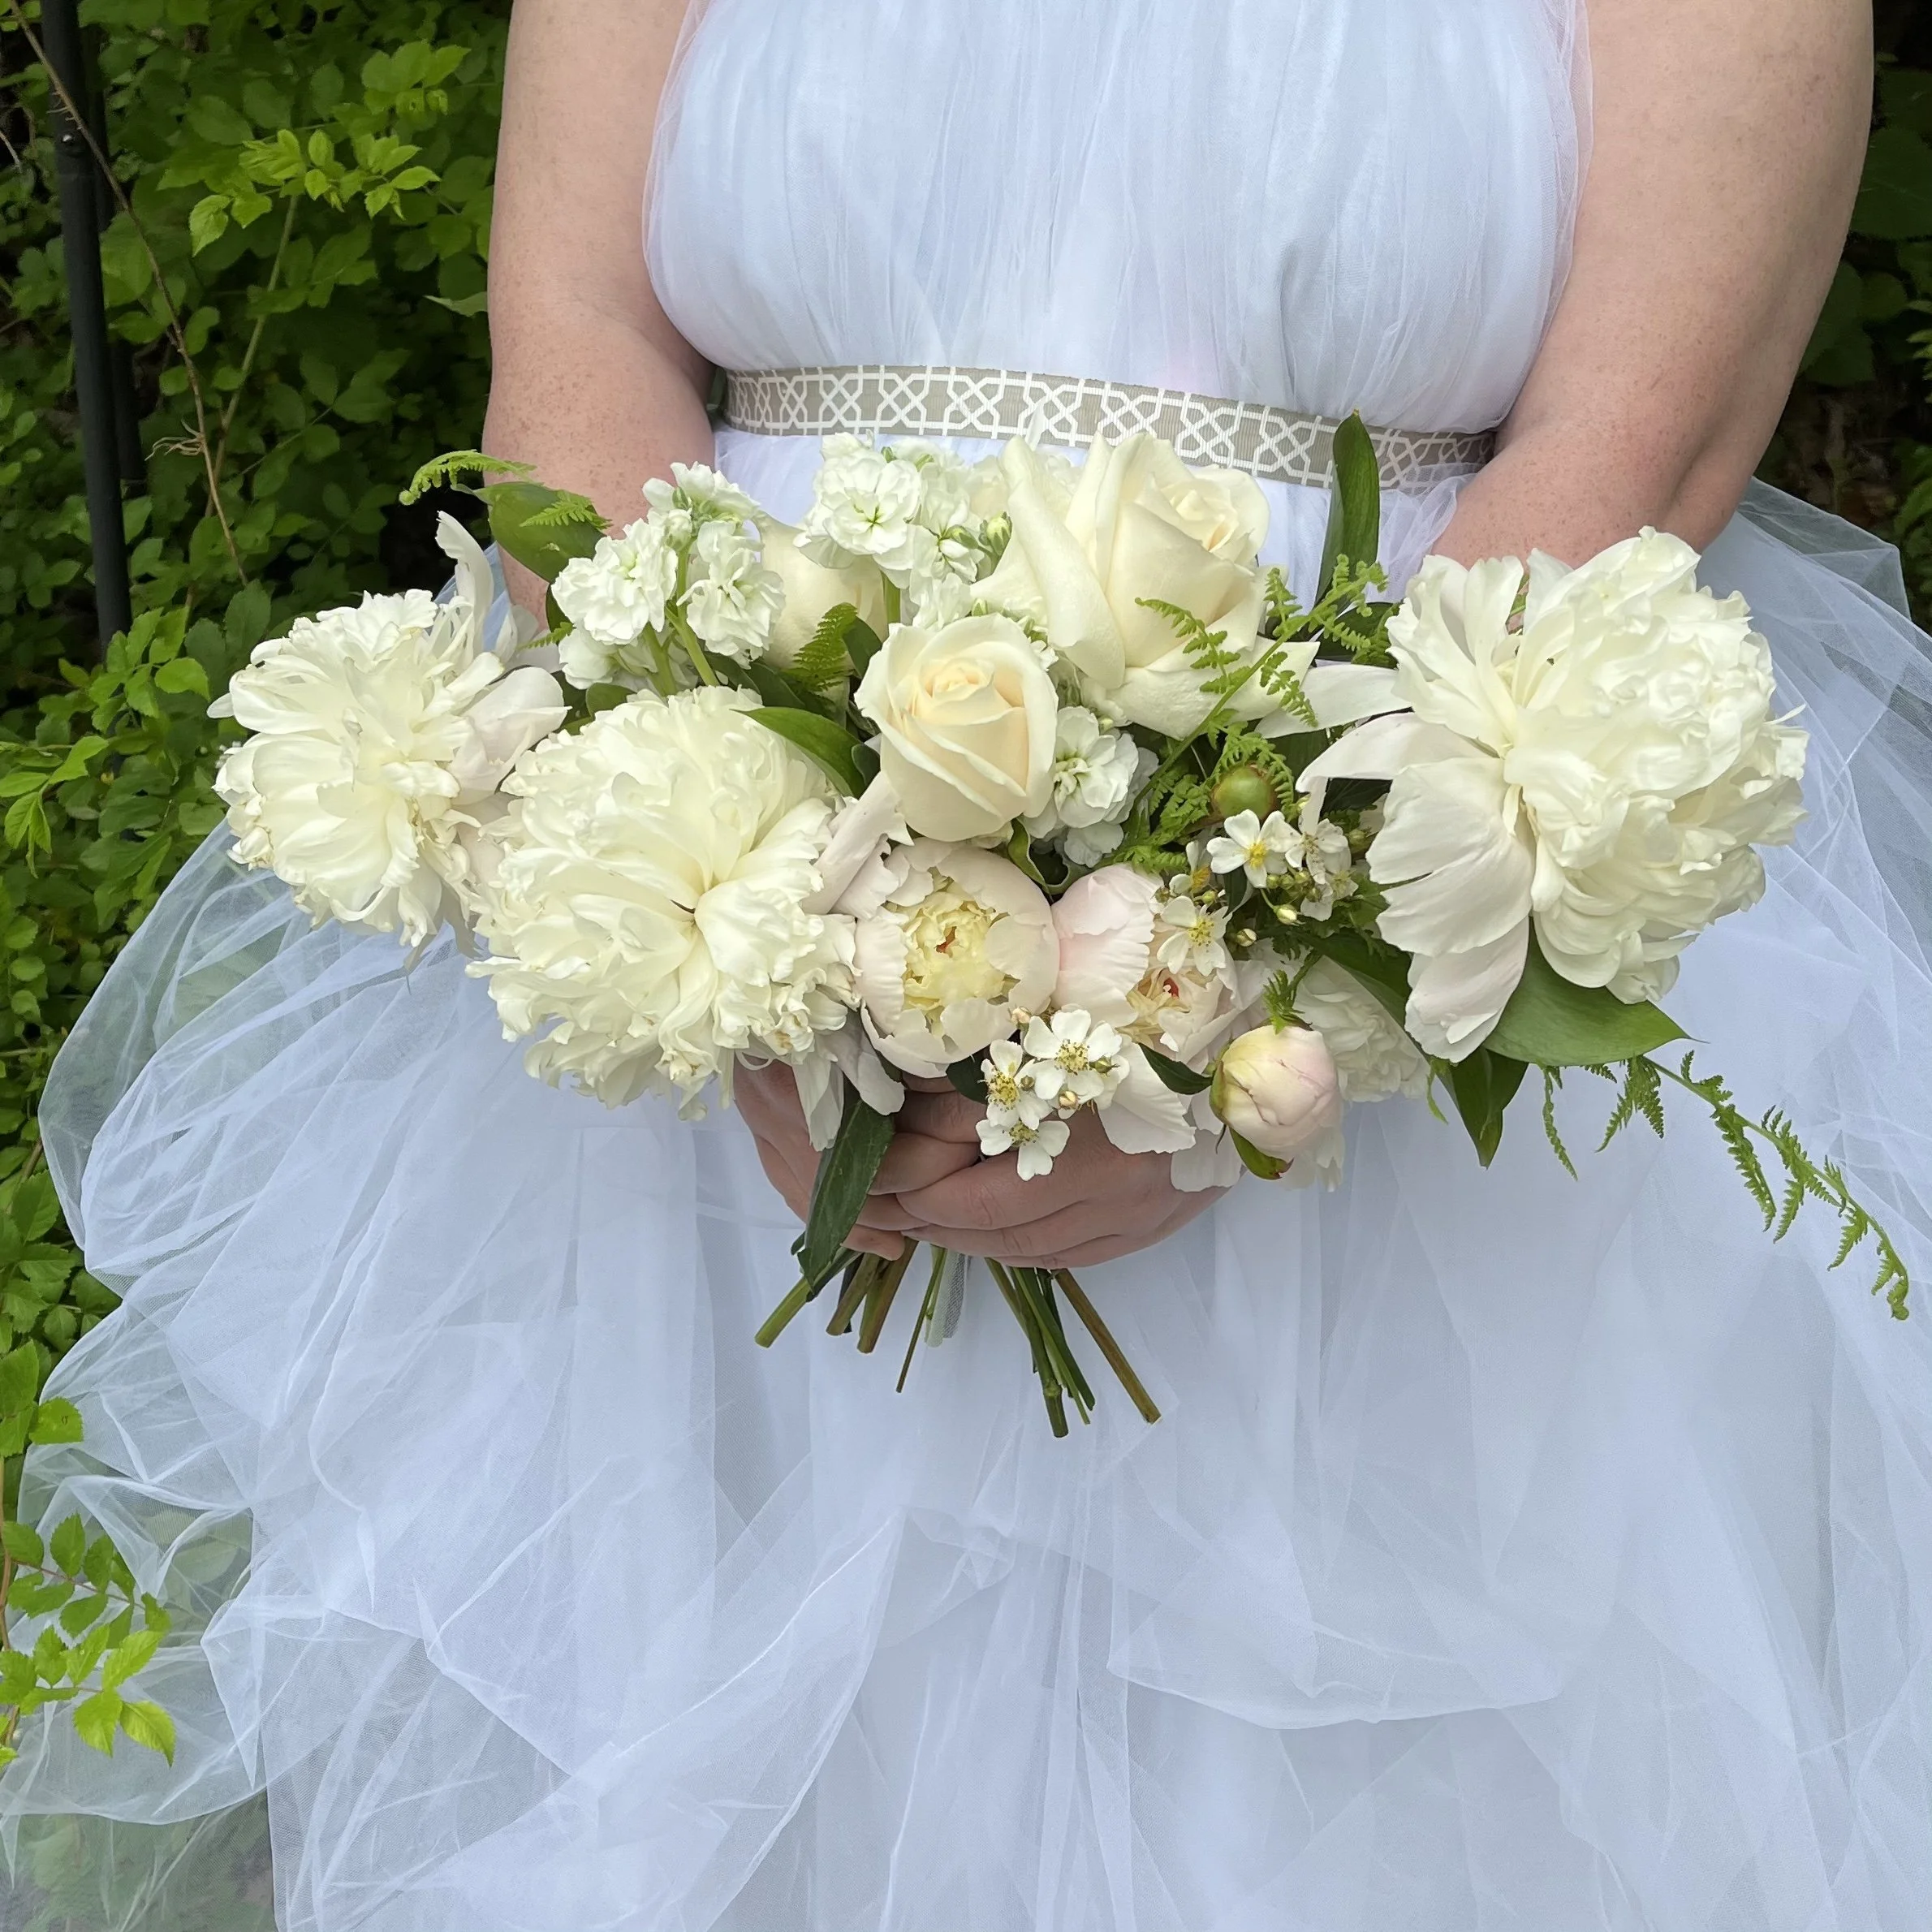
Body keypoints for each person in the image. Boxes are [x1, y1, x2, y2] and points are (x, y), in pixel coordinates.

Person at [11, 0, 1932, 1926]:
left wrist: (1217, 995)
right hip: (712, 1095)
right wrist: (743, 913)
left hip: (1378, 1042)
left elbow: (1636, 442)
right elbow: (580, 342)